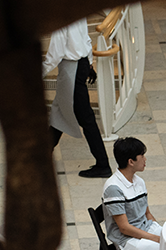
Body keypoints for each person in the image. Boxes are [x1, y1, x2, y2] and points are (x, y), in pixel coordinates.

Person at [43, 18, 111, 178]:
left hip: (71, 70)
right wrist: (89, 64)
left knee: (84, 118)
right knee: (60, 112)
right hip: (79, 66)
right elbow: (86, 39)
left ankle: (103, 165)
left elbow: (55, 54)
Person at [101, 137, 162, 250]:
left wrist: (159, 231)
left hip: (145, 228)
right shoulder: (113, 188)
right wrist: (155, 238)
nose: (145, 159)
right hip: (126, 240)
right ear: (131, 161)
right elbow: (124, 228)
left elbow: (147, 214)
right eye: (142, 156)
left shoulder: (139, 182)